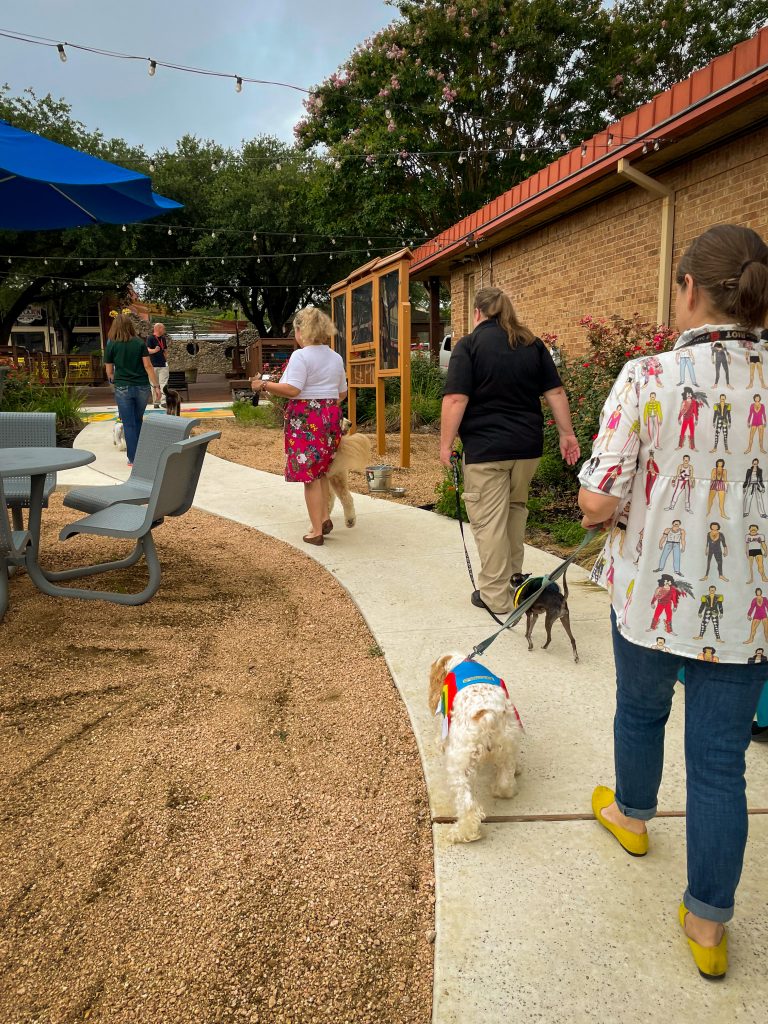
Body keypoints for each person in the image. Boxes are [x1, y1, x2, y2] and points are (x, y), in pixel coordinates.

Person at [578, 224, 768, 980]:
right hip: (750, 608)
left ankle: (631, 814)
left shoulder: (648, 376)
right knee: (722, 764)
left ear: (688, 287)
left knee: (641, 711)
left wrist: (610, 502)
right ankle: (708, 924)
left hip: (653, 591)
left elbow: (596, 501)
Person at [440, 286, 580, 615]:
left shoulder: (469, 346)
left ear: (477, 313)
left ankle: (495, 596)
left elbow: (456, 399)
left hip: (487, 450)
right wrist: (567, 435)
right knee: (515, 511)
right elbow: (556, 392)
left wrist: (445, 444)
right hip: (527, 448)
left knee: (488, 522)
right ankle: (515, 583)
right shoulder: (530, 344)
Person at [251, 306, 346, 546]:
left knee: (309, 477)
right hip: (329, 416)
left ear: (301, 331)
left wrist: (263, 385)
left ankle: (316, 531)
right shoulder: (335, 357)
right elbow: (342, 392)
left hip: (306, 419)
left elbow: (293, 389)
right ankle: (324, 517)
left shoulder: (301, 356)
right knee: (321, 469)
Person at [104, 311, 161, 465]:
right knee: (138, 420)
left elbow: (109, 371)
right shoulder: (139, 343)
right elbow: (148, 366)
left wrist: (113, 379)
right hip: (142, 386)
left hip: (122, 387)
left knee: (128, 423)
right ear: (130, 326)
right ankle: (142, 454)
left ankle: (133, 459)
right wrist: (156, 386)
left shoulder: (111, 345)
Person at [146, 322, 169, 407]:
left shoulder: (163, 338)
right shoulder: (150, 338)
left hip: (163, 364)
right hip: (153, 364)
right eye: (163, 328)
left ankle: (163, 401)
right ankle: (156, 402)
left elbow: (165, 350)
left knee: (164, 383)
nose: (164, 330)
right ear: (158, 328)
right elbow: (147, 350)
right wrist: (154, 350)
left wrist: (166, 359)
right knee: (154, 384)